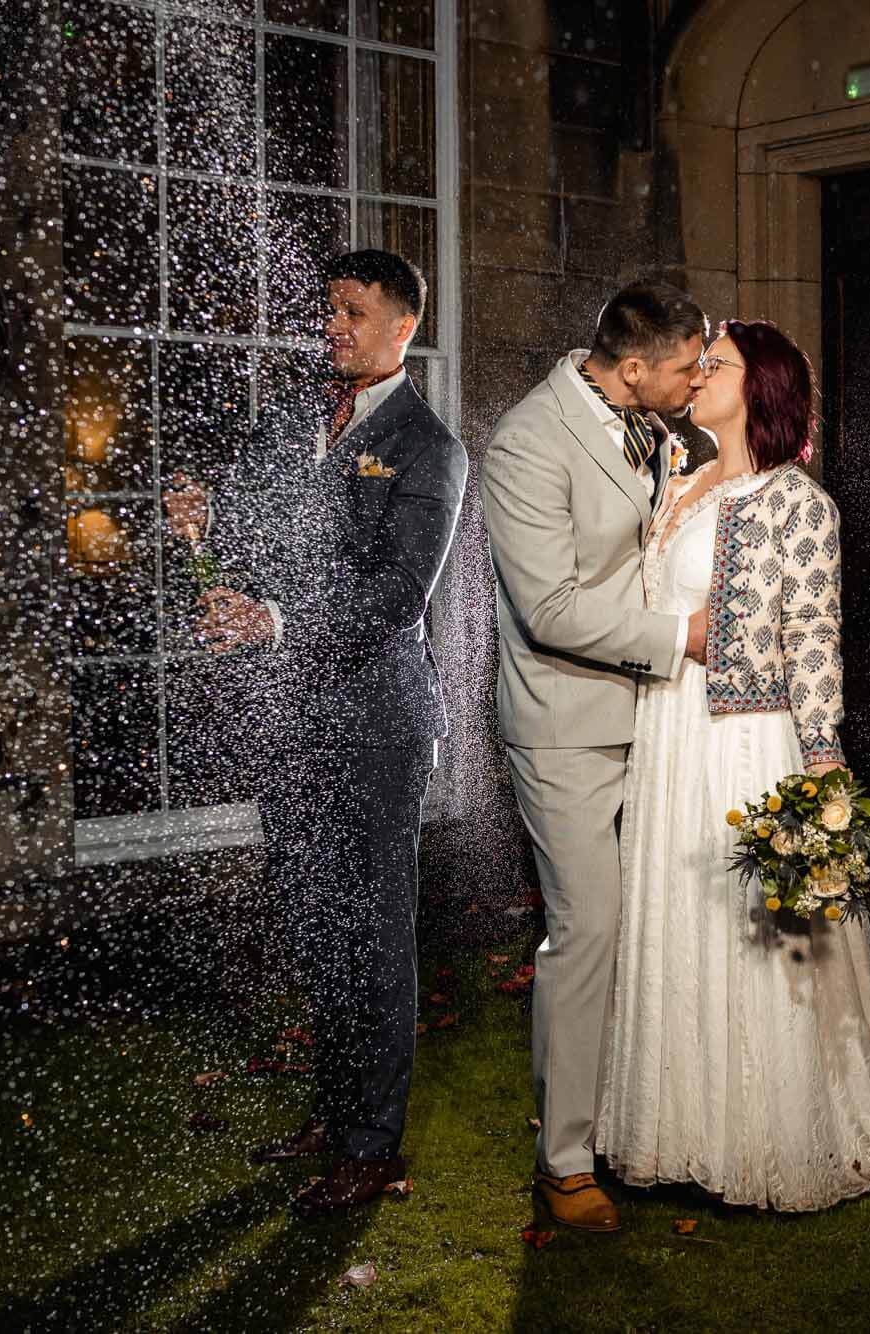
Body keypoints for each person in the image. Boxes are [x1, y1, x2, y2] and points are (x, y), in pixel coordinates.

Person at [595, 319, 870, 1211]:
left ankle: (769, 1133)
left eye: (714, 365)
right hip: (667, 735)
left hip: (743, 739)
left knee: (751, 937)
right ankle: (677, 1130)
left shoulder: (798, 504)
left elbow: (811, 641)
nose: (695, 376)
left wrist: (821, 770)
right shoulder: (678, 484)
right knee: (672, 920)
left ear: (757, 387)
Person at [162, 248, 466, 1218]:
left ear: (401, 326)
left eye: (351, 310)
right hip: (292, 723)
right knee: (313, 922)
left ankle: (371, 1146)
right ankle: (335, 1114)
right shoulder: (289, 423)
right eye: (326, 309)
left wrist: (279, 622)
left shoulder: (428, 447)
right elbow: (253, 543)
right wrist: (203, 528)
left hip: (378, 726)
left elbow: (395, 594)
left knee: (372, 934)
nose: (331, 324)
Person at [481, 281, 712, 1233]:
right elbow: (553, 610)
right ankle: (565, 1159)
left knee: (656, 921)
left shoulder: (656, 425)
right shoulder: (526, 443)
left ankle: (639, 1115)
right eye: (687, 366)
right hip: (566, 723)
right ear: (631, 370)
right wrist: (683, 638)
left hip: (658, 718)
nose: (700, 378)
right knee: (589, 930)